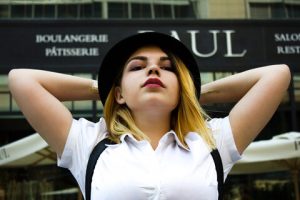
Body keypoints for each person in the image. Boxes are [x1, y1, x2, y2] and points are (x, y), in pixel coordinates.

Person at [8, 32, 291, 200]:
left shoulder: (213, 140)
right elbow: (21, 80)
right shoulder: (88, 142)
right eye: (137, 67)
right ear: (118, 93)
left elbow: (277, 74)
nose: (153, 70)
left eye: (167, 68)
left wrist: (190, 93)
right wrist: (107, 89)